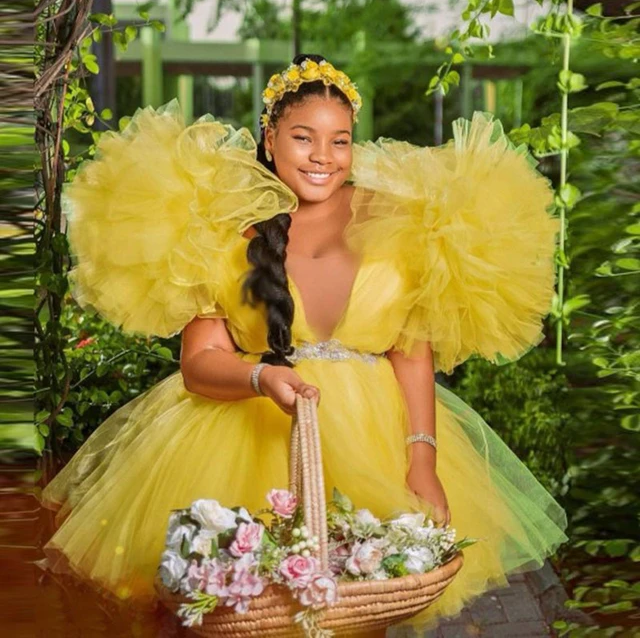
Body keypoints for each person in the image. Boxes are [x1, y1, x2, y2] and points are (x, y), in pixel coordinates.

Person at [40, 53, 569, 634]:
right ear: (270, 137)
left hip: (376, 442)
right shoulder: (220, 230)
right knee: (258, 609)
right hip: (245, 440)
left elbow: (411, 350)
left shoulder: (399, 218)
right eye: (303, 137)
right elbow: (198, 364)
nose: (324, 156)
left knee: (363, 603)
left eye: (340, 141)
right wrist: (260, 378)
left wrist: (423, 456)